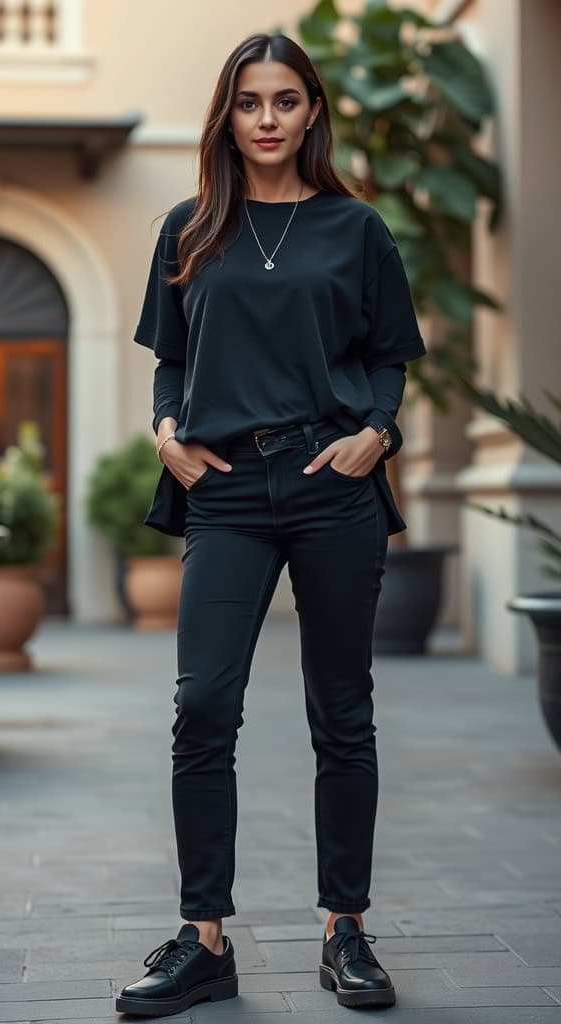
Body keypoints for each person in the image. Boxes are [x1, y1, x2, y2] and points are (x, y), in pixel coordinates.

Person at [116, 31, 426, 1018]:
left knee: (343, 711)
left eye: (285, 101)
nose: (266, 120)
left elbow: (389, 356)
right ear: (227, 114)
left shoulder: (358, 228)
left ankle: (347, 928)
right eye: (250, 102)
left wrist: (379, 430)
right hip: (228, 491)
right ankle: (202, 938)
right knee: (203, 704)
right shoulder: (189, 226)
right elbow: (171, 357)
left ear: (311, 112)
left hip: (333, 480)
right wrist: (165, 431)